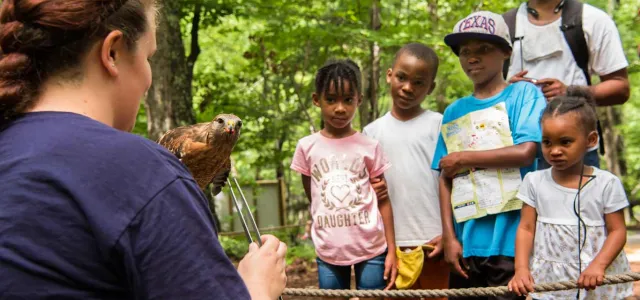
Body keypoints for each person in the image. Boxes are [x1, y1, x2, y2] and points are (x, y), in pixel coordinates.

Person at [0, 1, 286, 299]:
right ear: (113, 52)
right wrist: (258, 288)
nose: (149, 79)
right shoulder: (145, 174)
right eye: (149, 57)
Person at [433, 11, 547, 300]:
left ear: (506, 52)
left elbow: (526, 152)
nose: (473, 58)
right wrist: (449, 236)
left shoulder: (523, 95)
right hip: (466, 244)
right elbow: (444, 176)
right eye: (465, 52)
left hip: (511, 244)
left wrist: (465, 159)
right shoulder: (453, 112)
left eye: (484, 50)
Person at [507, 87, 633, 299]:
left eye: (565, 142)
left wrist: (598, 266)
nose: (554, 150)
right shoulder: (534, 182)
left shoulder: (606, 183)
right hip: (551, 279)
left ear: (591, 140)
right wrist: (521, 269)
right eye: (547, 142)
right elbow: (526, 228)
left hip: (597, 280)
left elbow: (617, 231)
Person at [290, 59, 398, 297]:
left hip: (372, 248)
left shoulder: (370, 146)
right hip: (329, 249)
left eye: (348, 100)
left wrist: (392, 250)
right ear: (317, 100)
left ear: (358, 100)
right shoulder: (306, 147)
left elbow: (384, 200)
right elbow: (314, 195)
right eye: (331, 99)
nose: (340, 108)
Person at [363, 42, 449, 300]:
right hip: (390, 245)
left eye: (419, 82)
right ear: (390, 75)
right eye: (401, 77)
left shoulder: (439, 124)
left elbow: (455, 182)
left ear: (430, 88)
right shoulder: (371, 133)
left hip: (435, 242)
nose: (408, 88)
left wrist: (449, 232)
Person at [505, 0, 630, 169]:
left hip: (576, 152)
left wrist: (570, 92)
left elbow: (620, 88)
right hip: (516, 153)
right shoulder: (503, 25)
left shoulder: (592, 19)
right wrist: (507, 91)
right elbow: (484, 93)